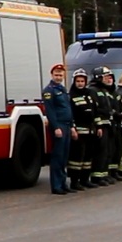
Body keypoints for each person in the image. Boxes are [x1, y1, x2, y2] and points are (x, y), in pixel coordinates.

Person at [42, 64, 74, 195]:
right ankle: (56, 186)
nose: (58, 77)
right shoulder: (49, 91)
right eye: (56, 74)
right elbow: (50, 111)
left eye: (61, 75)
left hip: (66, 125)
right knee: (58, 156)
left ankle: (63, 183)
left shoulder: (62, 89)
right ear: (52, 75)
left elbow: (68, 109)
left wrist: (72, 126)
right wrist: (55, 127)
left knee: (65, 156)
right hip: (59, 126)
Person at [67, 69, 96, 191]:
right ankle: (75, 182)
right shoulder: (71, 96)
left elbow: (94, 111)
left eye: (82, 81)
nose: (80, 83)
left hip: (90, 131)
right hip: (79, 132)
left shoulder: (89, 94)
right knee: (77, 158)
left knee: (88, 157)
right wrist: (73, 128)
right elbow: (70, 114)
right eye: (78, 81)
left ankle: (85, 180)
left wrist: (96, 127)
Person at [88, 66, 117, 187]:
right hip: (100, 125)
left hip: (107, 124)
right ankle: (97, 176)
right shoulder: (93, 90)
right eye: (105, 77)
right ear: (98, 77)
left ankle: (104, 174)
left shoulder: (104, 91)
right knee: (99, 151)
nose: (107, 79)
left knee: (107, 150)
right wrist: (98, 124)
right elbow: (95, 109)